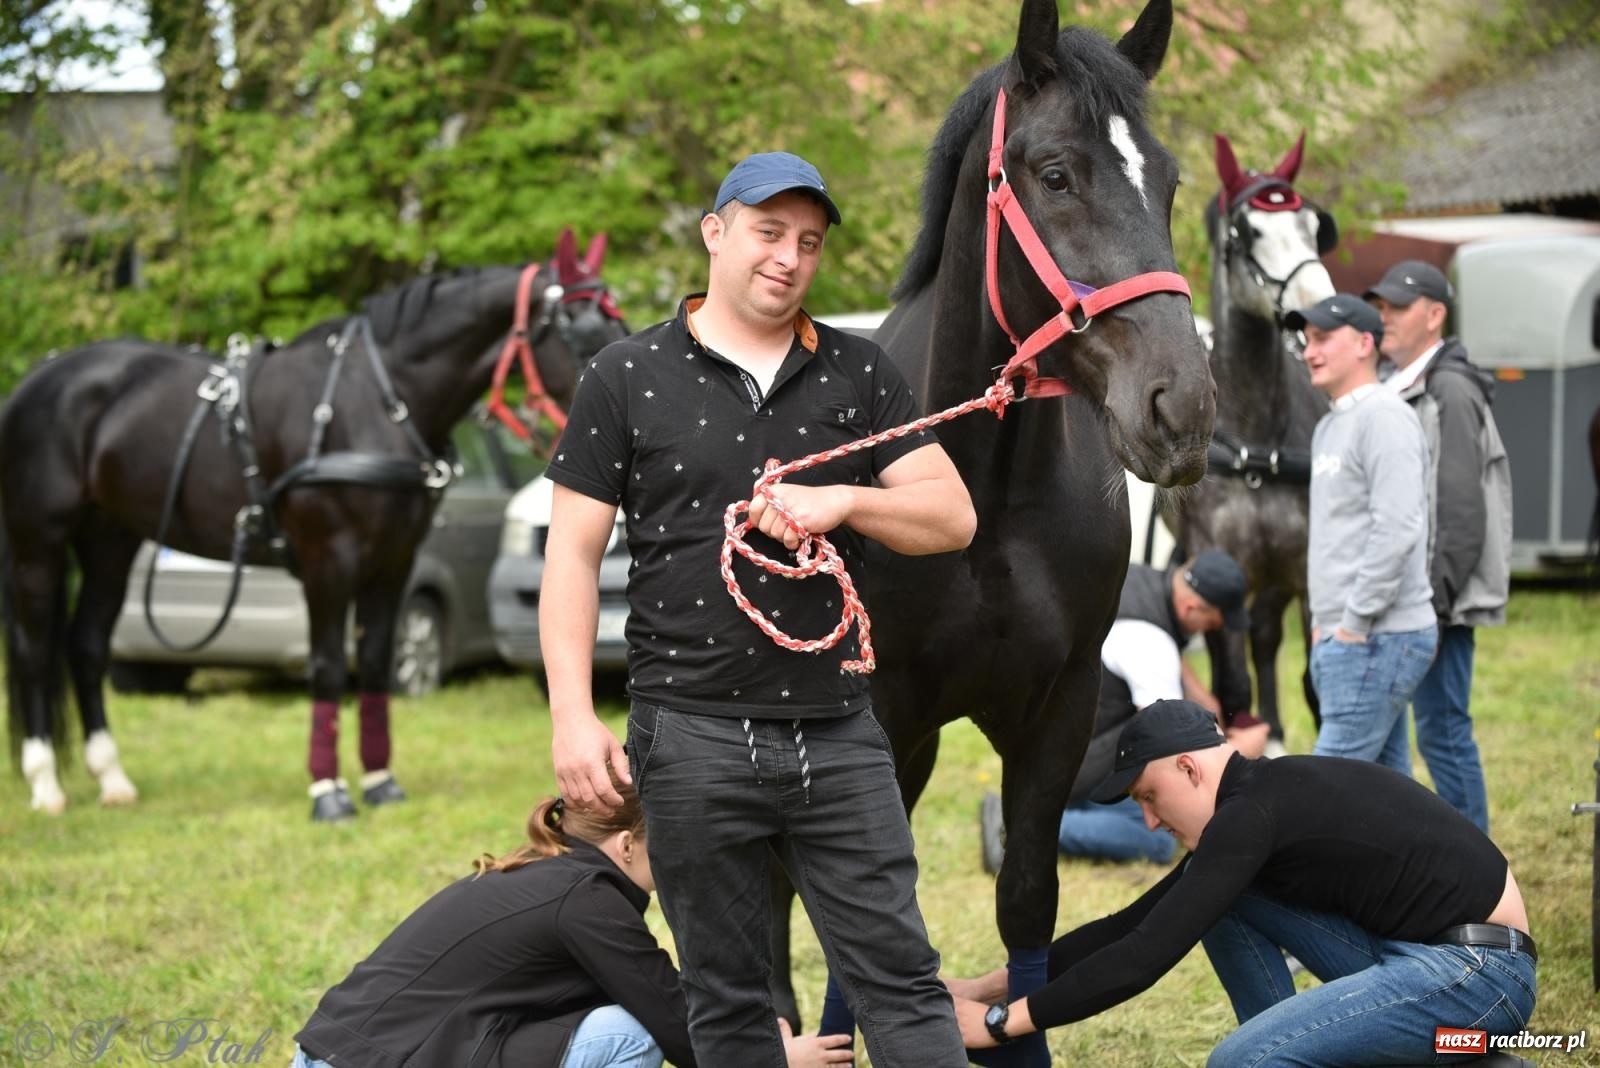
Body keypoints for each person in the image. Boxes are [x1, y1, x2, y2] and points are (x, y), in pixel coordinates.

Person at [538, 151, 976, 1065]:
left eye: (808, 242)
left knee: (900, 978)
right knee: (728, 998)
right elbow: (571, 558)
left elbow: (952, 516)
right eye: (769, 232)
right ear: (716, 232)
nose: (788, 257)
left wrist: (847, 501)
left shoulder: (861, 374)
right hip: (688, 734)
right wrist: (574, 720)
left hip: (840, 731)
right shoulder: (624, 374)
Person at [949, 700, 1538, 1065]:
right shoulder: (1253, 806)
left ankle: (1456, 1052)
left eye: (1150, 797)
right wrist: (987, 988)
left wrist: (1004, 1025)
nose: (1149, 820)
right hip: (1426, 957)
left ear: (1188, 767)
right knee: (1225, 908)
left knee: (1242, 1062)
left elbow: (1143, 957)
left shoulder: (1251, 816)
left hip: (1480, 975)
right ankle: (1448, 1057)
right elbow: (1132, 925)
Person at [292, 780, 854, 1068]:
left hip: (337, 1052)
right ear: (627, 844)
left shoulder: (551, 873)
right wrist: (776, 1058)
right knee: (628, 1032)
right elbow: (677, 1025)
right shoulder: (588, 900)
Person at [980, 550, 1267, 870]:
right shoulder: (1151, 645)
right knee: (1156, 837)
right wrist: (1238, 750)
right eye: (1211, 625)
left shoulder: (1131, 581)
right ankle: (1017, 829)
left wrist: (1203, 699)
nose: (1209, 632)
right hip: (1071, 768)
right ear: (1191, 608)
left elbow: (1157, 645)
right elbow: (1167, 744)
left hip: (1044, 747)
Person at [1366, 260, 1511, 834]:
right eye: (1379, 308)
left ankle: (1480, 884)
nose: (1385, 319)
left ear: (1435, 314)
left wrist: (1436, 601)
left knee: (1443, 731)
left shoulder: (1449, 385)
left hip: (1434, 600)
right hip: (1405, 597)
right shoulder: (1392, 382)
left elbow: (1460, 505)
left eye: (1398, 308)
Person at [1290, 294, 1436, 772]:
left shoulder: (1385, 417)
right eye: (1307, 340)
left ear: (1364, 343)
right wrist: (1322, 624)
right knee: (1388, 795)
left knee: (1325, 787)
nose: (1310, 351)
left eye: (1324, 339)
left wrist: (1353, 622)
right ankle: (1425, 851)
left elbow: (1398, 528)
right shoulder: (1330, 426)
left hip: (1376, 637)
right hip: (1346, 637)